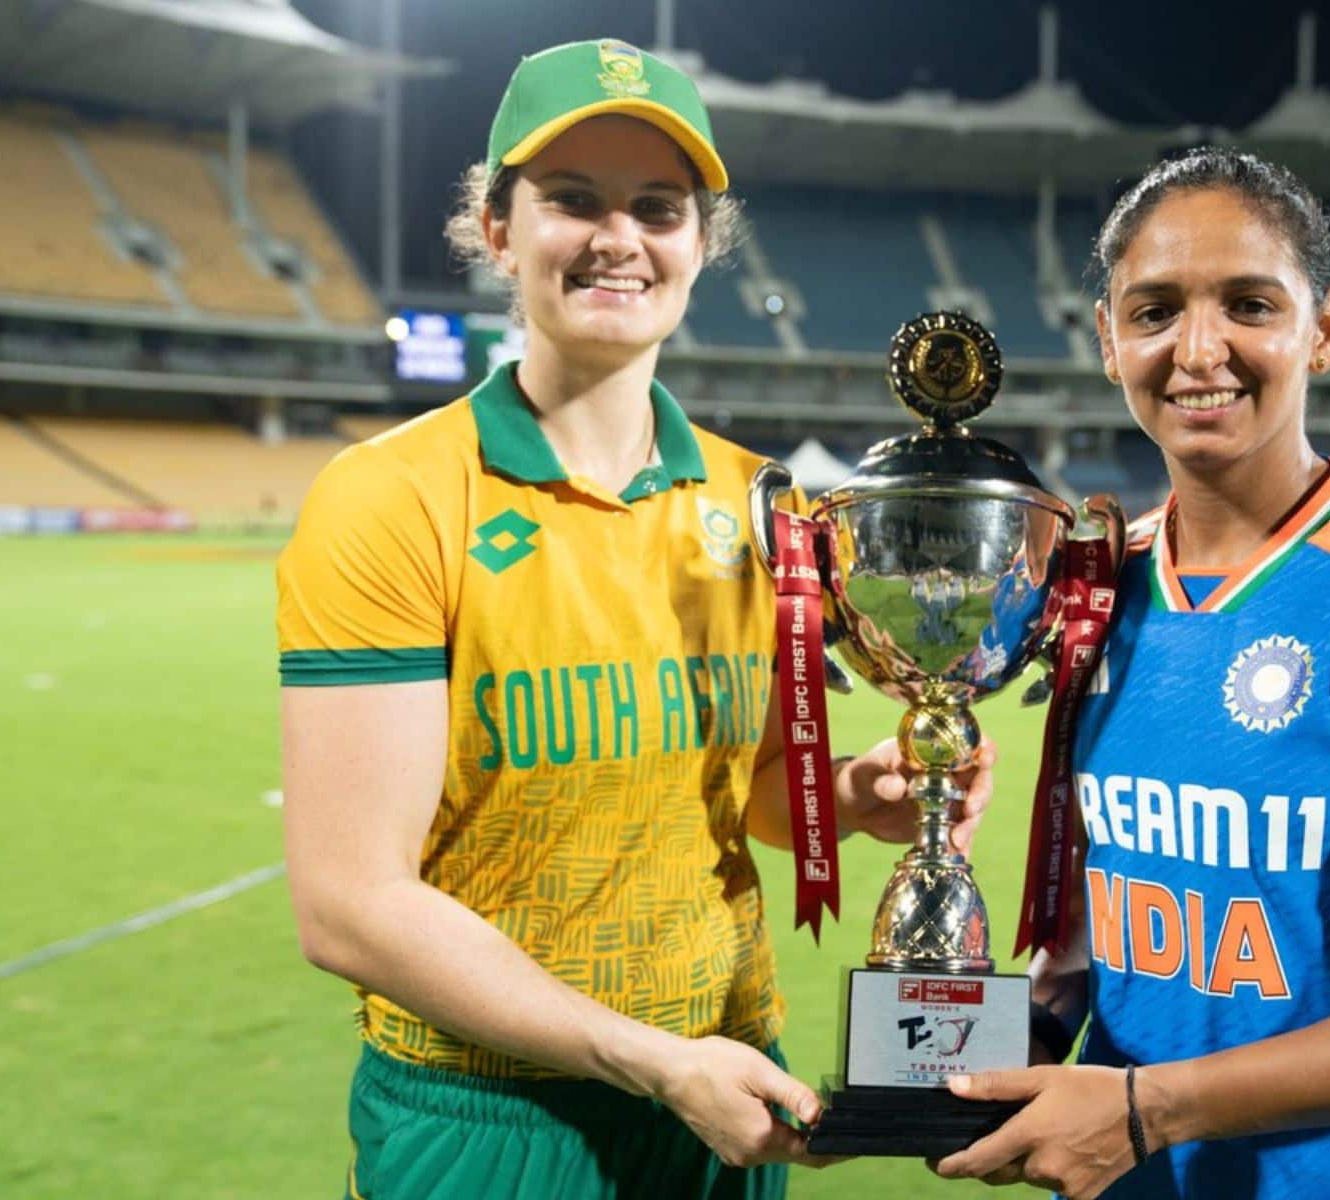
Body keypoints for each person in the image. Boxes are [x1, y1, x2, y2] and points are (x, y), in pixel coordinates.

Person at [276, 39, 991, 1200]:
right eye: (572, 200)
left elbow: (756, 790)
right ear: (497, 229)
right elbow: (351, 906)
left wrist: (858, 797)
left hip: (721, 1091)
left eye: (659, 208)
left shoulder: (762, 501)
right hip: (495, 1116)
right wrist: (653, 1063)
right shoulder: (392, 496)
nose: (621, 239)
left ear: (701, 244)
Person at [934, 148, 1330, 1200]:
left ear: (1322, 327)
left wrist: (1150, 1109)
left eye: (1247, 304)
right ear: (1107, 340)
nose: (1199, 350)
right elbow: (1115, 910)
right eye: (1153, 311)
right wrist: (1029, 1035)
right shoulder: (1105, 585)